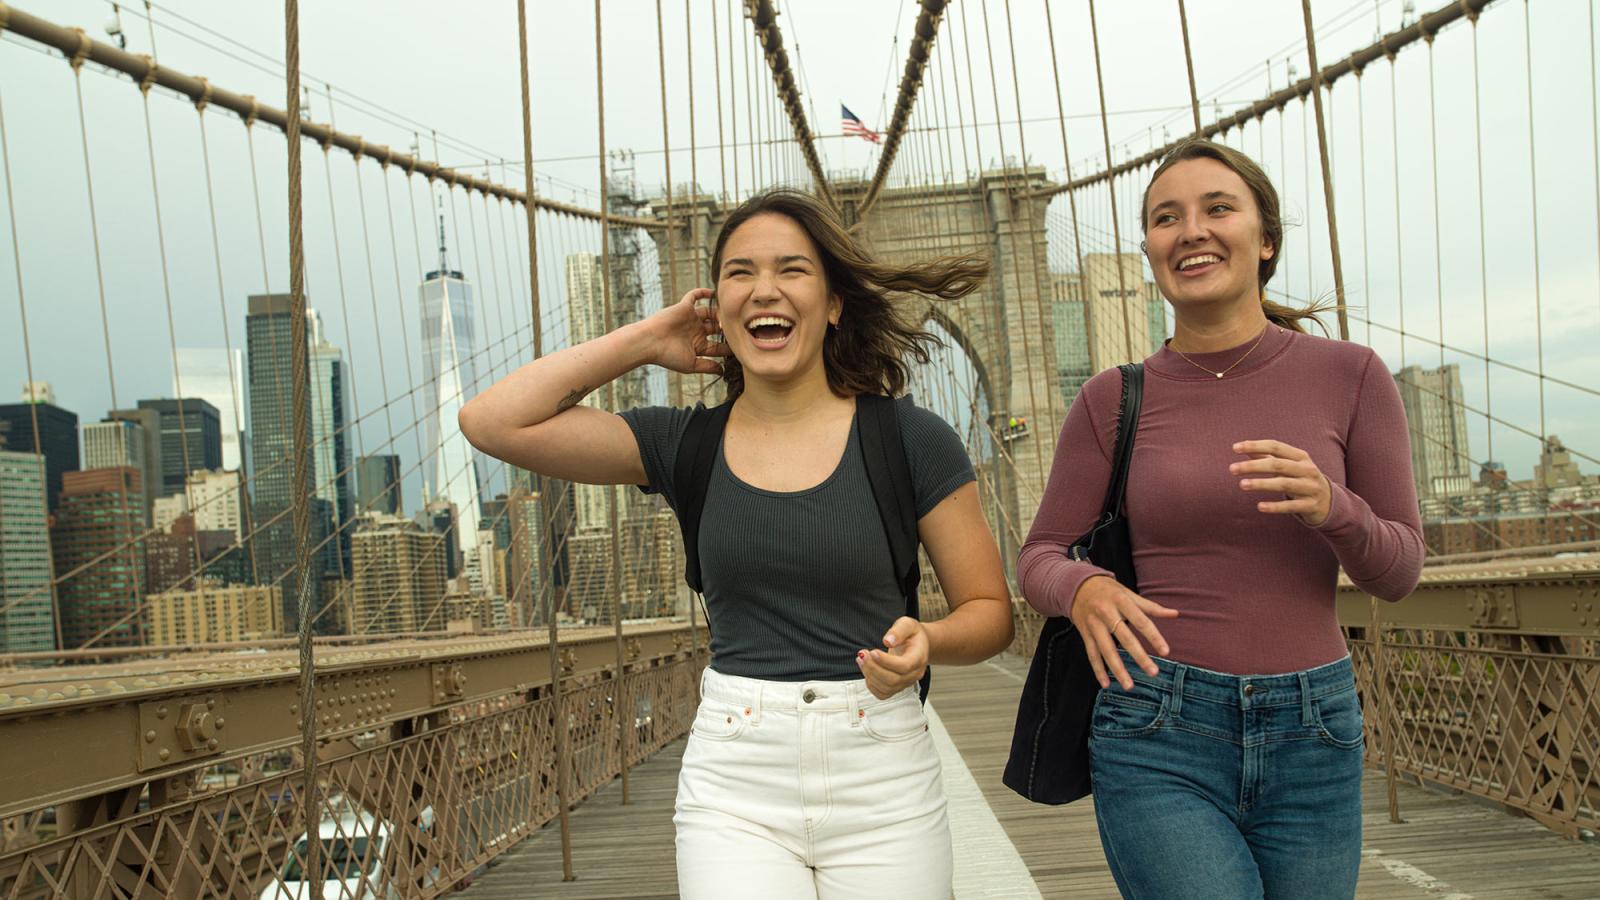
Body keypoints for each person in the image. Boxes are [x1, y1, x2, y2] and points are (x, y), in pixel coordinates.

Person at [460, 189, 1014, 899]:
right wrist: (648, 341)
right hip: (737, 775)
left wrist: (929, 641)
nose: (764, 290)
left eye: (792, 269)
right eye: (739, 273)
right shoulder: (682, 444)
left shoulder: (910, 439)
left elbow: (990, 611)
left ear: (835, 302)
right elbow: (491, 422)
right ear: (715, 303)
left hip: (882, 770)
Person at [1018, 139, 1424, 900]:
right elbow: (1039, 552)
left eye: (1218, 209)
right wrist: (1082, 588)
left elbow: (1397, 572)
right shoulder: (1111, 399)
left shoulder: (1352, 375)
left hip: (1318, 728)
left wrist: (1335, 508)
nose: (1191, 230)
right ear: (1150, 252)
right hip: (1157, 722)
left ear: (1265, 239)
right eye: (1166, 218)